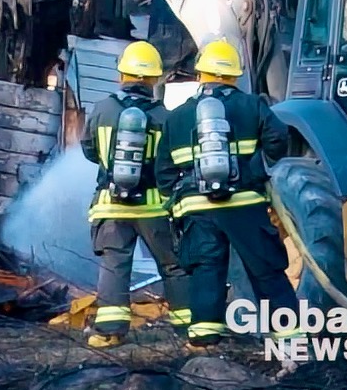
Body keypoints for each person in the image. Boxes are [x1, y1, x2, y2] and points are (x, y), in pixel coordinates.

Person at [155, 39, 300, 348]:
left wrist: (181, 197)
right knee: (266, 270)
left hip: (196, 208)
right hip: (244, 205)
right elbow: (278, 139)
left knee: (206, 270)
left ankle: (204, 339)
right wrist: (257, 168)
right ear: (234, 76)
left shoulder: (177, 116)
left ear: (201, 74)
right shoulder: (253, 104)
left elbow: (163, 171)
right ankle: (290, 339)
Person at [80, 41, 192, 349]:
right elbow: (177, 161)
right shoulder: (166, 117)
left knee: (115, 264)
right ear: (155, 79)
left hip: (112, 206)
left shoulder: (102, 110)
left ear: (122, 76)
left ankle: (110, 332)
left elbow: (89, 151)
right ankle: (188, 331)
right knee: (173, 266)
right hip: (155, 209)